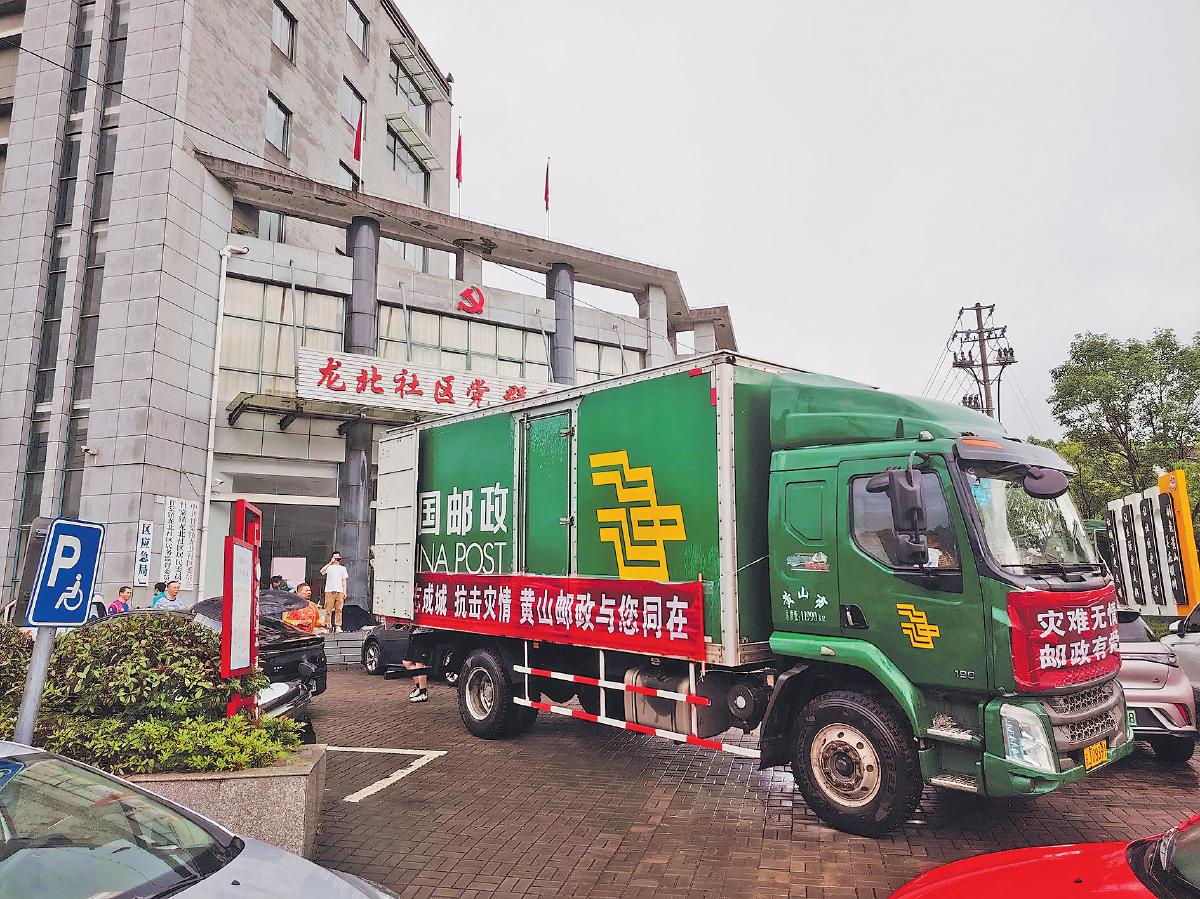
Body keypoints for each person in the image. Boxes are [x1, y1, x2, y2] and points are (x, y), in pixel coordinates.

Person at [320, 552, 348, 633]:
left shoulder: (342, 568)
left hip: (339, 591)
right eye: (335, 557)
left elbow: (344, 580)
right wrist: (330, 562)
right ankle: (326, 626)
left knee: (339, 610)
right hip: (329, 591)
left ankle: (338, 626)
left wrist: (344, 591)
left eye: (337, 557)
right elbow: (322, 571)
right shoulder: (329, 567)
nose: (336, 559)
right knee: (328, 610)